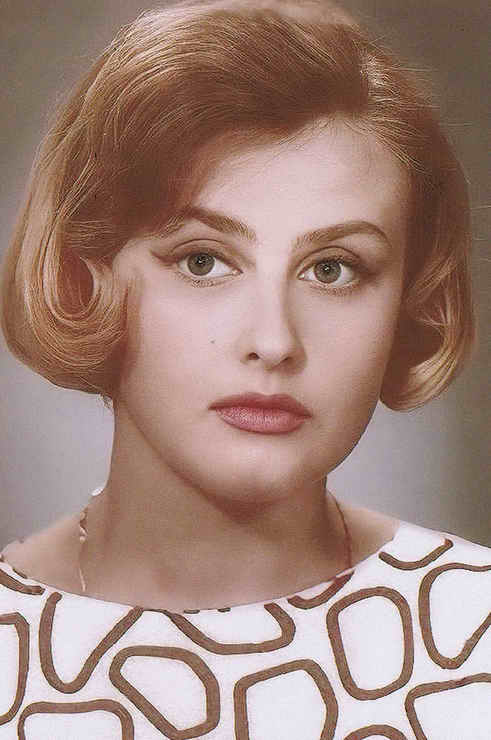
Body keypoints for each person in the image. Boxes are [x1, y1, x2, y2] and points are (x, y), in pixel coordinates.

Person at [0, 0, 489, 737]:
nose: (274, 340)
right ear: (85, 277)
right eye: (203, 261)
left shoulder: (473, 630)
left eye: (332, 269)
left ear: (406, 301)